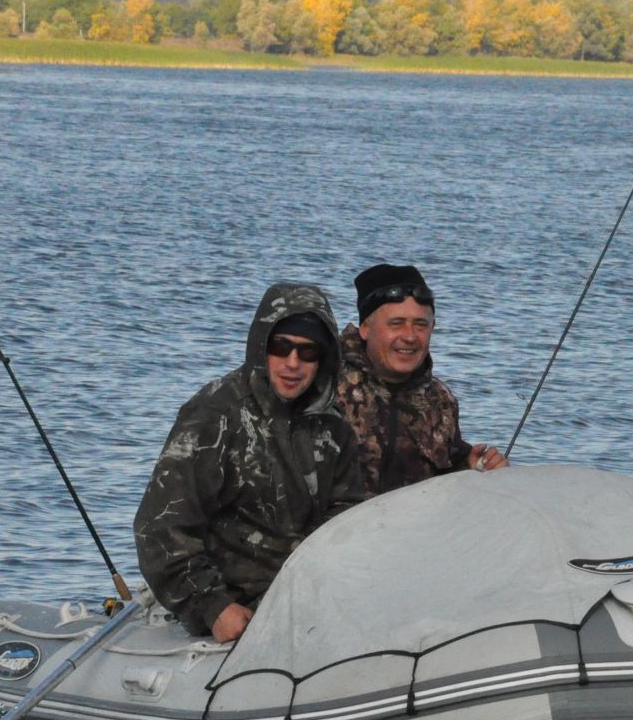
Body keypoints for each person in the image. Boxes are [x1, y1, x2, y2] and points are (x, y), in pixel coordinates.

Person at [134, 283, 362, 643]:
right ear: (261, 346)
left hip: (308, 609)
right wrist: (211, 606)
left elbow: (349, 521)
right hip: (233, 615)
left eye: (307, 351)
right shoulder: (215, 415)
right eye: (281, 347)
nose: (292, 363)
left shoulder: (333, 429)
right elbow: (160, 526)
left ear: (323, 359)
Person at [336, 263, 506, 496]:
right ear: (365, 328)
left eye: (420, 325)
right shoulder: (324, 383)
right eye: (396, 323)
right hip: (330, 531)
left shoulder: (441, 401)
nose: (409, 337)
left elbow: (448, 473)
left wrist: (473, 467)